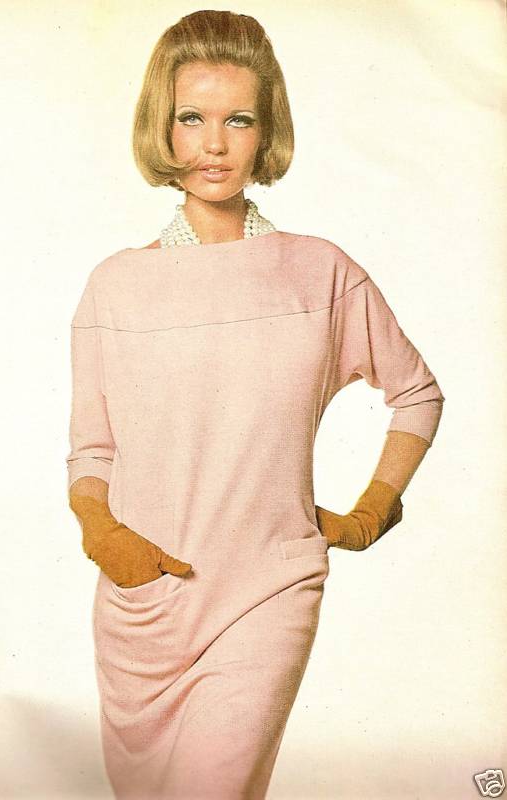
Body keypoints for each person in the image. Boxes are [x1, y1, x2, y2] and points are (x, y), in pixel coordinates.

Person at [65, 10, 445, 799]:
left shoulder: (319, 273)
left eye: (237, 120)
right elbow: (92, 449)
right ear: (161, 126)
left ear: (266, 129)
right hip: (143, 607)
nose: (214, 144)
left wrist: (369, 512)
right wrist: (101, 532)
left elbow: (416, 393)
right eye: (191, 118)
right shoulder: (114, 285)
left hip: (269, 592)